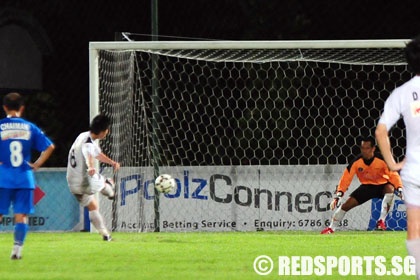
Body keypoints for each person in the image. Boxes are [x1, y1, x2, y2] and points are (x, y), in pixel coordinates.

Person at [375, 35, 420, 279]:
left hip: (414, 170)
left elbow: (381, 131)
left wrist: (392, 164)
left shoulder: (402, 93)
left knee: (414, 226)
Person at [0, 92, 55, 259]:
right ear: (22, 108)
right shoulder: (29, 127)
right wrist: (37, 164)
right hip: (24, 178)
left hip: (3, 177)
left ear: (5, 108)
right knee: (21, 215)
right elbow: (50, 147)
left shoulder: (1, 126)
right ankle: (17, 250)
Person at [321, 136, 403, 234]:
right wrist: (339, 195)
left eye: (367, 148)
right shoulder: (356, 162)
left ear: (373, 149)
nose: (364, 151)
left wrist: (399, 187)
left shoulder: (382, 160)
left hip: (382, 185)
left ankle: (381, 221)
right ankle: (331, 228)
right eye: (362, 148)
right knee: (345, 206)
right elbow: (346, 178)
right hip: (366, 187)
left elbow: (393, 174)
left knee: (390, 188)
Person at [66, 114, 120, 241]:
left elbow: (96, 154)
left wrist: (112, 162)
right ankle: (110, 190)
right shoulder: (88, 144)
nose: (108, 132)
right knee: (106, 184)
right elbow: (88, 153)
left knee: (93, 207)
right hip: (86, 181)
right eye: (107, 129)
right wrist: (90, 166)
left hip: (72, 182)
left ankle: (105, 235)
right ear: (102, 132)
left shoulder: (83, 136)